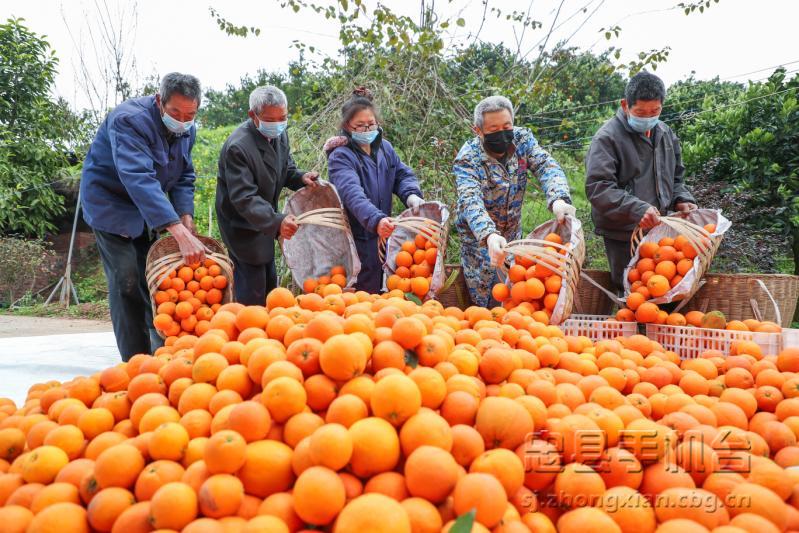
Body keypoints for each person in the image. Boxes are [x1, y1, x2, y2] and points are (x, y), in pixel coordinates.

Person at [81, 72, 206, 361]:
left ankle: (163, 354)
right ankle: (135, 362)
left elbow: (184, 174)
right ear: (159, 101)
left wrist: (185, 215)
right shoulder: (129, 120)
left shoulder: (188, 129)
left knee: (154, 280)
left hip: (149, 209)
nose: (183, 121)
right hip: (111, 205)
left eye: (190, 115)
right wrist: (176, 229)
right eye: (175, 113)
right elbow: (138, 177)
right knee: (126, 279)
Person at [454, 95, 574, 308]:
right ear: (478, 131)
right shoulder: (468, 158)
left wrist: (558, 198)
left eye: (506, 126)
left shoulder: (522, 141)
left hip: (513, 237)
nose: (502, 133)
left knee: (519, 295)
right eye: (493, 129)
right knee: (488, 300)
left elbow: (546, 166)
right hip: (479, 241)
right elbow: (470, 200)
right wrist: (489, 235)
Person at [585, 71, 697, 291]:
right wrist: (637, 209)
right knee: (632, 290)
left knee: (662, 287)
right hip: (623, 231)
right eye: (640, 112)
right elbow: (599, 188)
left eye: (655, 111)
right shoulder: (607, 138)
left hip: (659, 227)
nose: (648, 118)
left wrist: (682, 198)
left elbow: (675, 177)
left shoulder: (665, 133)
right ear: (625, 105)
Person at [216, 85, 319, 305]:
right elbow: (244, 198)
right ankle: (250, 321)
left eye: (282, 118)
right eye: (270, 120)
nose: (278, 124)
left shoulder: (280, 134)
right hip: (243, 225)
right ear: (252, 115)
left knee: (269, 282)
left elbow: (286, 168)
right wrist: (278, 221)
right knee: (253, 288)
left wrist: (300, 178)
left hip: (265, 219)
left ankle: (270, 320)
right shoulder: (238, 147)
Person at [324, 87, 424, 294]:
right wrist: (375, 219)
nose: (367, 129)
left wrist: (411, 195)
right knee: (361, 297)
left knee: (385, 294)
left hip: (382, 238)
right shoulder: (341, 157)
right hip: (356, 240)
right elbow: (352, 193)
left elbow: (401, 175)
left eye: (371, 124)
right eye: (360, 126)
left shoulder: (385, 148)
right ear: (347, 126)